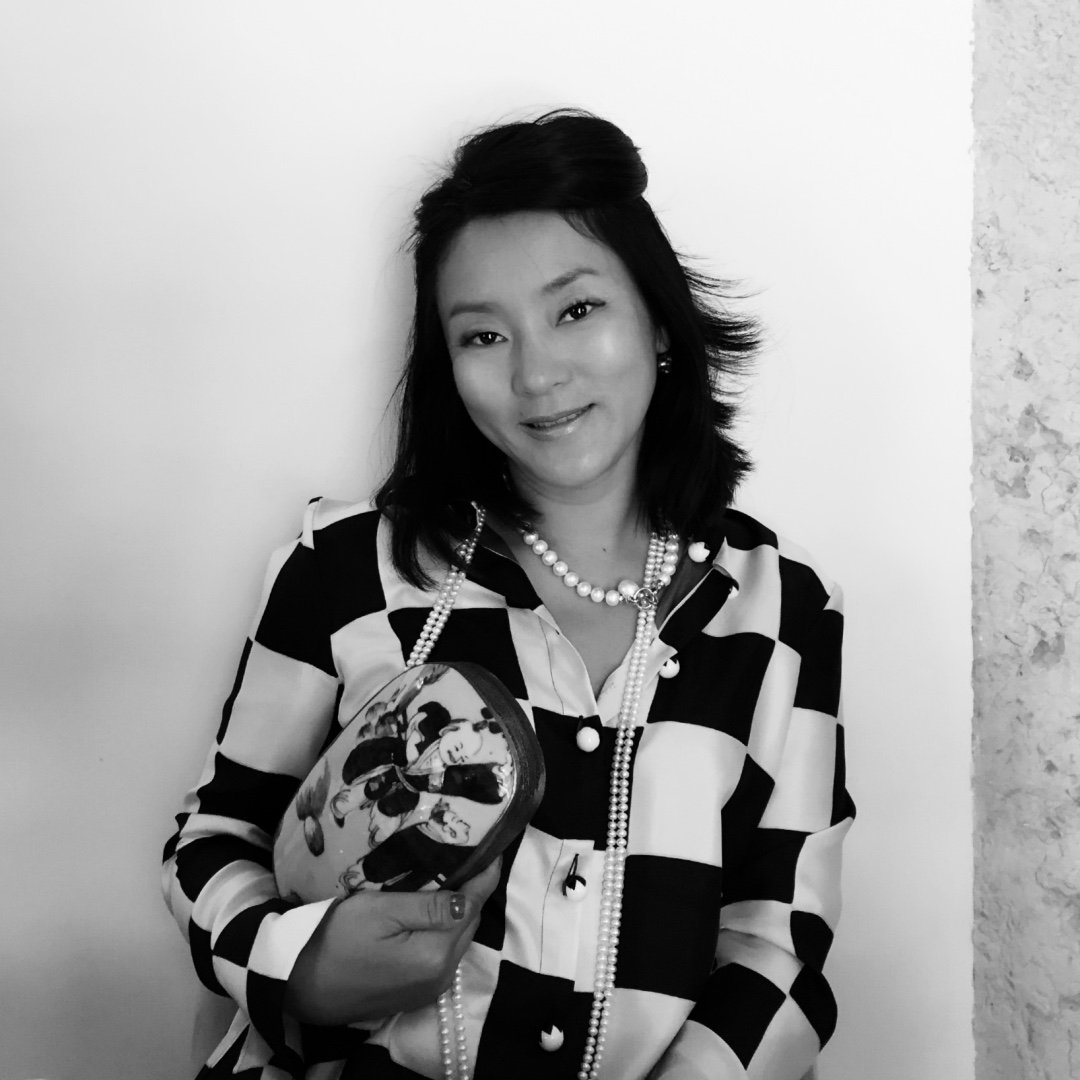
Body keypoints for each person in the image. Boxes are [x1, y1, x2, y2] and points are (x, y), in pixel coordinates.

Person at [162, 107, 854, 1080]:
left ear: (658, 322)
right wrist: (299, 971)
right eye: (483, 334)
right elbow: (214, 839)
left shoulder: (781, 612)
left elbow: (777, 948)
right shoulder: (345, 566)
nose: (536, 374)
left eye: (577, 310)